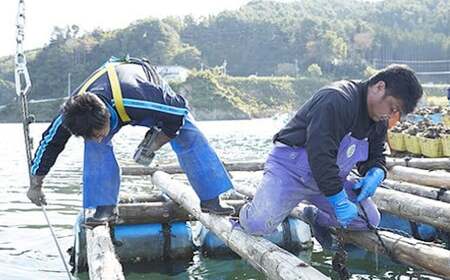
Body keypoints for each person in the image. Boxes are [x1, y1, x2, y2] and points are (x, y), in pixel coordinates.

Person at [26, 56, 234, 224]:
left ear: (106, 116)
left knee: (189, 133)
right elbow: (49, 143)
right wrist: (36, 184)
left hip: (138, 90)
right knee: (95, 146)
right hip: (107, 96)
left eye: (99, 133)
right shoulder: (73, 112)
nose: (98, 139)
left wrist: (157, 142)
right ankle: (104, 207)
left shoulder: (142, 96)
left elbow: (179, 110)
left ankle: (211, 198)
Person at [238, 64, 423, 248]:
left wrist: (376, 171)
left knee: (369, 220)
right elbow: (320, 155)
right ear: (379, 87)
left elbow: (376, 153)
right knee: (258, 224)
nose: (390, 115)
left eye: (396, 112)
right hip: (290, 171)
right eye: (392, 107)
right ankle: (250, 208)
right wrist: (339, 200)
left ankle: (315, 218)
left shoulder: (379, 119)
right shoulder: (336, 99)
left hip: (331, 179)